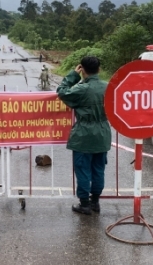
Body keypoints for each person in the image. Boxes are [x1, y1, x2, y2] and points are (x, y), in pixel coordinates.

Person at [56, 56, 111, 215]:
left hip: (84, 134)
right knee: (99, 169)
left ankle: (85, 204)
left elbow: (62, 91)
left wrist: (73, 75)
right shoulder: (108, 87)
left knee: (83, 169)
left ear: (82, 70)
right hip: (102, 133)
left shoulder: (81, 89)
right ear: (99, 70)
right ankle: (95, 202)